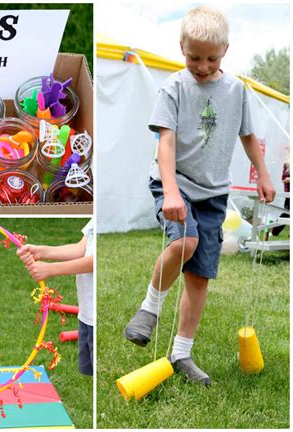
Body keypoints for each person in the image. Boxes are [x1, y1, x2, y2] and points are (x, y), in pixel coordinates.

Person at [123, 5, 276, 386]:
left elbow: (248, 137)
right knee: (186, 241)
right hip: (174, 184)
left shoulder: (237, 89)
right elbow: (166, 142)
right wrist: (171, 190)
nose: (202, 66)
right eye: (194, 57)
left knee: (200, 277)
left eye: (210, 58)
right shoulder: (174, 87)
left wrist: (265, 174)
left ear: (225, 50)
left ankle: (181, 354)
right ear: (181, 48)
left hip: (213, 194)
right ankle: (149, 308)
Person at [17, 220, 94, 376]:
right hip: (87, 313)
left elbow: (96, 259)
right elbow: (82, 248)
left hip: (95, 314)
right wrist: (42, 251)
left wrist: (51, 269)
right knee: (91, 370)